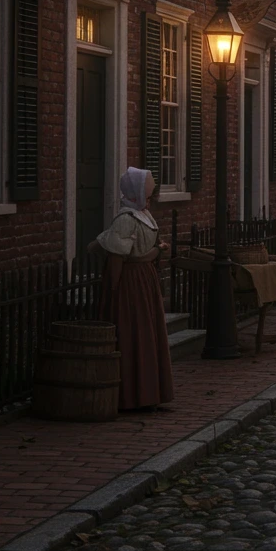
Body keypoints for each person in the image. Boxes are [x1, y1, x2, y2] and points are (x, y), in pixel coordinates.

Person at [91, 168, 173, 411]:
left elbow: (119, 258)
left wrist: (112, 290)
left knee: (134, 332)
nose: (149, 197)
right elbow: (125, 254)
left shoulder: (132, 217)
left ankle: (135, 394)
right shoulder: (139, 217)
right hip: (141, 280)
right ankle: (142, 392)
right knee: (141, 333)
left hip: (134, 282)